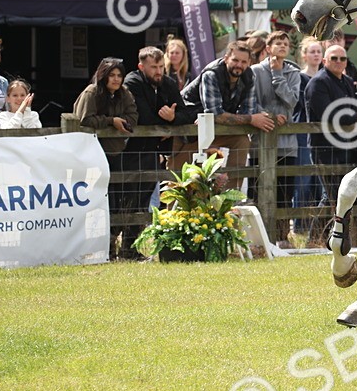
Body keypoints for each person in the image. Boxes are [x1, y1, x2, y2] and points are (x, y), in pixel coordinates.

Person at [306, 44, 357, 243]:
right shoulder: (318, 83)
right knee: (331, 194)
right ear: (324, 61)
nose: (339, 62)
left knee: (343, 193)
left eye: (343, 59)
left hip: (349, 147)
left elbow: (355, 108)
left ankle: (341, 237)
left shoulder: (347, 81)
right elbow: (328, 113)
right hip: (325, 147)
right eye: (334, 58)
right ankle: (316, 238)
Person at [74, 58, 139, 256]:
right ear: (103, 75)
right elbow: (84, 119)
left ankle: (113, 245)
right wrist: (112, 121)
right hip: (92, 154)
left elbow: (133, 117)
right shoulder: (91, 92)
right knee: (96, 202)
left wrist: (122, 123)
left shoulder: (124, 93)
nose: (116, 79)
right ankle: (98, 247)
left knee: (117, 201)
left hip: (116, 153)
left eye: (119, 75)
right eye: (112, 75)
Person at [182, 41, 275, 171]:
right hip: (186, 128)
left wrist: (253, 117)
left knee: (242, 140)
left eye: (243, 62)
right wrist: (251, 119)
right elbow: (214, 114)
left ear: (249, 63)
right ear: (226, 58)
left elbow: (248, 110)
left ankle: (232, 188)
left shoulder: (249, 76)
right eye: (235, 60)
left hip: (214, 129)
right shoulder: (212, 74)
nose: (239, 65)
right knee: (178, 179)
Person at [123, 46, 197, 208]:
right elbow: (143, 117)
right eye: (154, 67)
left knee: (145, 196)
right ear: (141, 67)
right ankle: (119, 233)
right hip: (130, 148)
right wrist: (169, 123)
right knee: (127, 197)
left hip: (153, 149)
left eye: (161, 67)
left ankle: (138, 232)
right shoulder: (132, 82)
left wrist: (173, 117)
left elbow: (186, 114)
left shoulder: (168, 83)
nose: (158, 71)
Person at [251, 31, 302, 212]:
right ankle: (259, 237)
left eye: (285, 44)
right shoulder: (255, 71)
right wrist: (269, 117)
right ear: (268, 48)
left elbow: (292, 101)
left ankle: (282, 237)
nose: (282, 46)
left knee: (285, 194)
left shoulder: (294, 73)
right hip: (260, 142)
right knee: (258, 192)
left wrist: (278, 75)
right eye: (278, 43)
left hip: (287, 144)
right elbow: (250, 102)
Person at [293, 36, 327, 215]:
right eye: (312, 52)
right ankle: (299, 223)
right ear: (304, 55)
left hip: (323, 132)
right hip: (303, 129)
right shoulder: (299, 77)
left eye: (318, 52)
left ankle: (317, 221)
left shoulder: (325, 77)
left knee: (320, 179)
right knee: (303, 177)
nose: (316, 55)